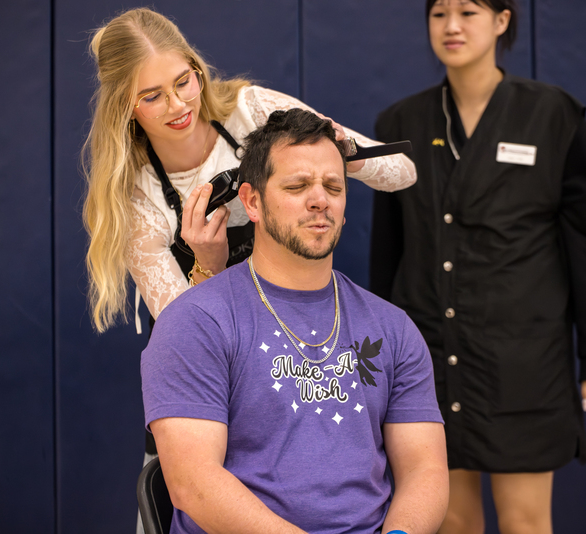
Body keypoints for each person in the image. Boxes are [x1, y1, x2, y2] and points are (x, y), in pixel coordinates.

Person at [369, 1, 586, 533]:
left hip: (523, 361)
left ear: (503, 20)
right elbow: (387, 252)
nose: (452, 26)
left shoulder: (553, 116)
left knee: (526, 522)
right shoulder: (400, 122)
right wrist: (378, 360)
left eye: (468, 11)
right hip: (430, 356)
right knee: (452, 520)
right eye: (439, 13)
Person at [142, 109, 449, 534]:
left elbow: (424, 470)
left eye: (333, 186)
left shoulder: (392, 328)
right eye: (297, 185)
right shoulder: (196, 322)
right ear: (252, 201)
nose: (319, 199)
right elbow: (194, 485)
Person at [81, 7, 417, 337]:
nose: (178, 105)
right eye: (153, 96)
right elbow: (185, 341)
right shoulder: (138, 199)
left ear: (197, 69)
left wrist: (344, 156)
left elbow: (405, 172)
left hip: (298, 326)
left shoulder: (250, 110)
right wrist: (207, 266)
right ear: (124, 107)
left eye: (184, 82)